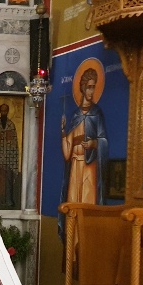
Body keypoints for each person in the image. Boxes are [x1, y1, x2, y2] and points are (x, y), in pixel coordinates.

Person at [60, 68, 108, 208]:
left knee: (87, 201)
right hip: (75, 165)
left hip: (89, 165)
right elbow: (67, 153)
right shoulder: (76, 116)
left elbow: (103, 140)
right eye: (89, 87)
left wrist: (93, 143)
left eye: (93, 87)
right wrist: (63, 132)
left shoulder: (97, 113)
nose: (91, 91)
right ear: (83, 88)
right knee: (73, 202)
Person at [0, 103, 19, 208]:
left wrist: (9, 138)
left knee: (8, 180)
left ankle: (9, 200)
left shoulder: (11, 125)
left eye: (5, 111)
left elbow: (14, 142)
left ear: (8, 112)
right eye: (2, 111)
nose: (4, 113)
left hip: (9, 157)